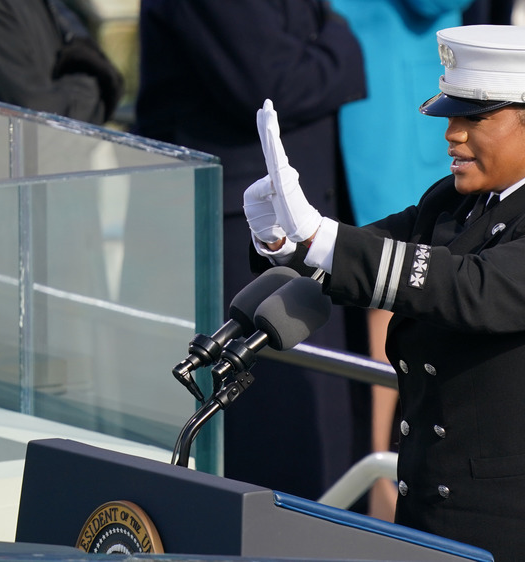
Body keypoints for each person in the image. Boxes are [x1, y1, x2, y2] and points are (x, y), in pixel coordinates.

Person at [243, 25, 525, 561]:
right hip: (438, 528)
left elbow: (480, 291)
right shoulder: (453, 203)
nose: (452, 134)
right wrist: (280, 238)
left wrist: (323, 238)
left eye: (474, 118)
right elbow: (361, 260)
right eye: (451, 116)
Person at [135, 0, 372, 504]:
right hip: (230, 231)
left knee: (314, 441)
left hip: (286, 226)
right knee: (268, 443)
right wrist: (342, 45)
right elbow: (265, 84)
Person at [326, 0, 474, 521]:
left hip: (375, 106)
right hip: (393, 110)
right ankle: (383, 486)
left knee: (387, 294)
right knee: (389, 297)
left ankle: (381, 480)